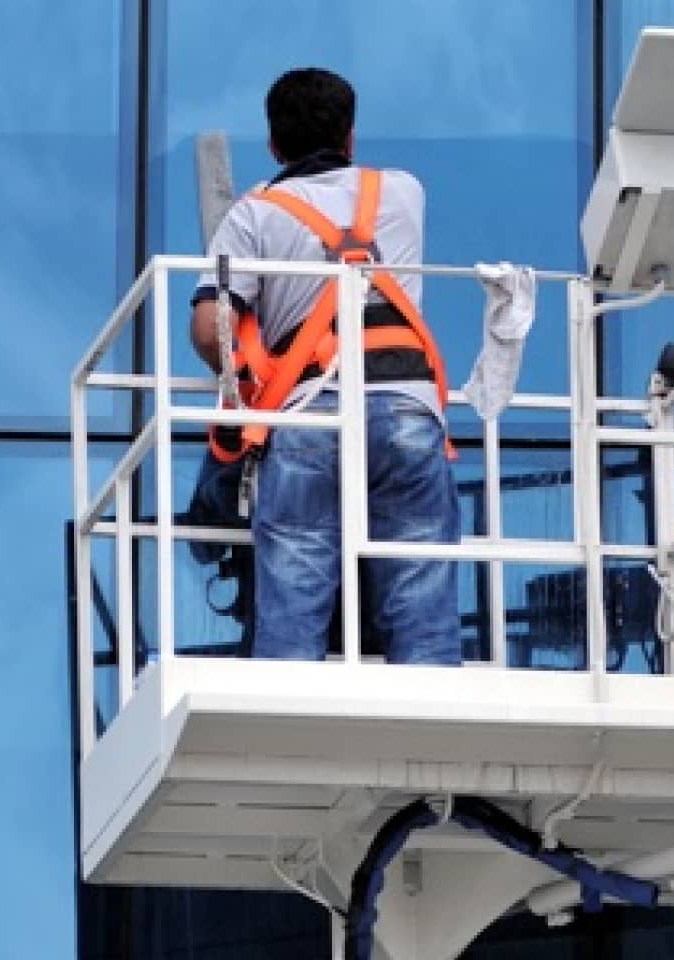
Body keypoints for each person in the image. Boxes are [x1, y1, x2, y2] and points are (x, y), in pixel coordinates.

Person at [189, 67, 461, 665]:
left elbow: (212, 331)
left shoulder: (255, 214)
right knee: (422, 608)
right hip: (408, 412)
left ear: (273, 144)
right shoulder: (403, 192)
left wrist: (249, 375)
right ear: (350, 137)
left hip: (312, 416)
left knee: (293, 608)